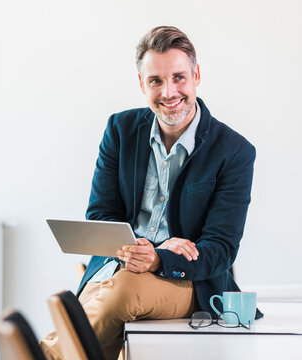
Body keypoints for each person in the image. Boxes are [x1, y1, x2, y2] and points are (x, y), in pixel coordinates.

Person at [40, 25, 262, 360]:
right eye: (156, 80)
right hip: (120, 266)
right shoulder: (120, 130)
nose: (169, 91)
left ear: (196, 75)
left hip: (188, 283)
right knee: (115, 289)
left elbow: (221, 249)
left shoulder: (234, 151)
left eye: (178, 77)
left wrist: (160, 257)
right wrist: (145, 250)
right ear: (142, 84)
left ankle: (40, 354)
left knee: (122, 291)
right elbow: (101, 216)